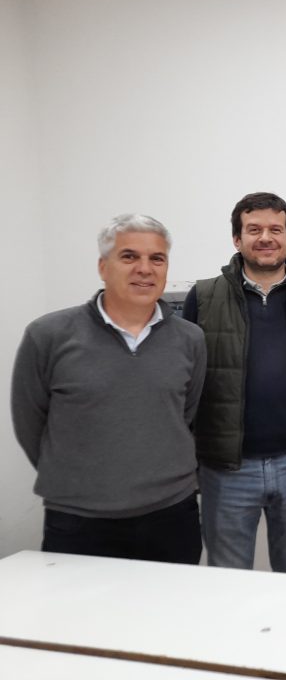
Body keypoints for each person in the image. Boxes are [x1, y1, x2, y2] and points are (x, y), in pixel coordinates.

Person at [12, 214, 207, 563]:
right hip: (78, 521)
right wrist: (78, 480)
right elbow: (30, 422)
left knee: (172, 601)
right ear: (103, 267)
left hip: (171, 515)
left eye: (157, 258)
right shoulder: (48, 335)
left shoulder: (190, 339)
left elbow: (185, 414)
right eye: (129, 256)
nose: (144, 269)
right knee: (78, 602)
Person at [183, 192, 286, 574]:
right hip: (226, 470)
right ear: (237, 239)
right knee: (229, 580)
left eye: (276, 229)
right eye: (254, 230)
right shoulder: (203, 297)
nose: (266, 238)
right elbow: (185, 384)